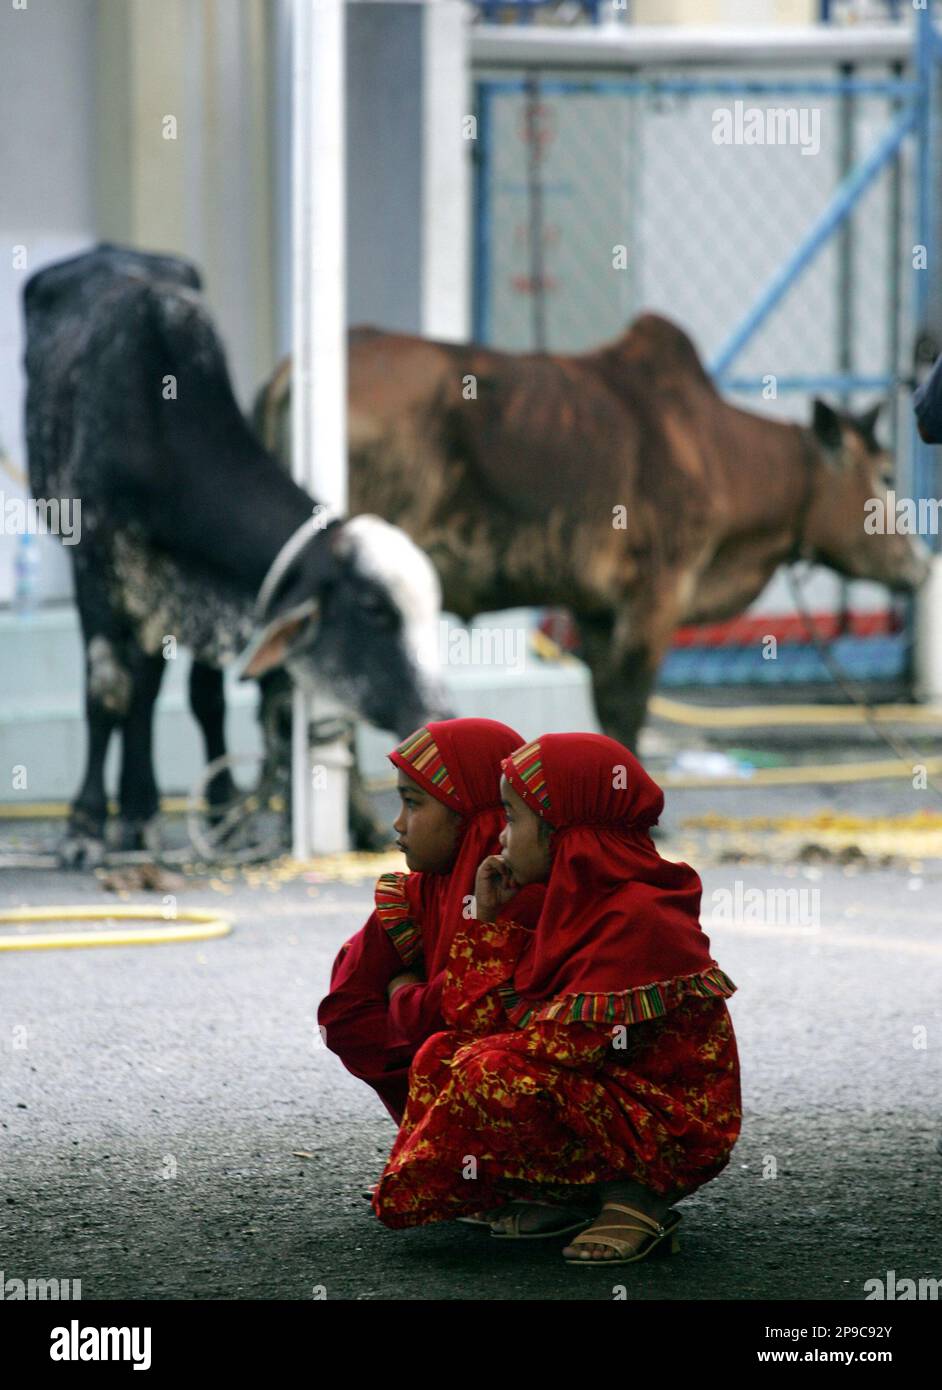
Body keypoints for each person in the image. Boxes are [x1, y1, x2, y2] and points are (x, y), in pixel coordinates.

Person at [371, 732, 742, 1266]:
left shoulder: (638, 913)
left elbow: (559, 1049)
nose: (501, 836)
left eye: (514, 819)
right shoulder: (564, 901)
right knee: (444, 1055)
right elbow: (471, 1022)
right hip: (601, 1097)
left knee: (487, 1069)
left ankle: (636, 1199)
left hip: (669, 1129)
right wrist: (490, 922)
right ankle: (562, 1195)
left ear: (564, 831)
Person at [317, 718, 543, 1126]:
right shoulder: (423, 889)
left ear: (470, 813)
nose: (398, 823)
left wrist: (404, 992)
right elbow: (345, 1013)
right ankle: (437, 1137)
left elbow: (457, 1011)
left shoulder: (522, 891)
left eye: (414, 803)